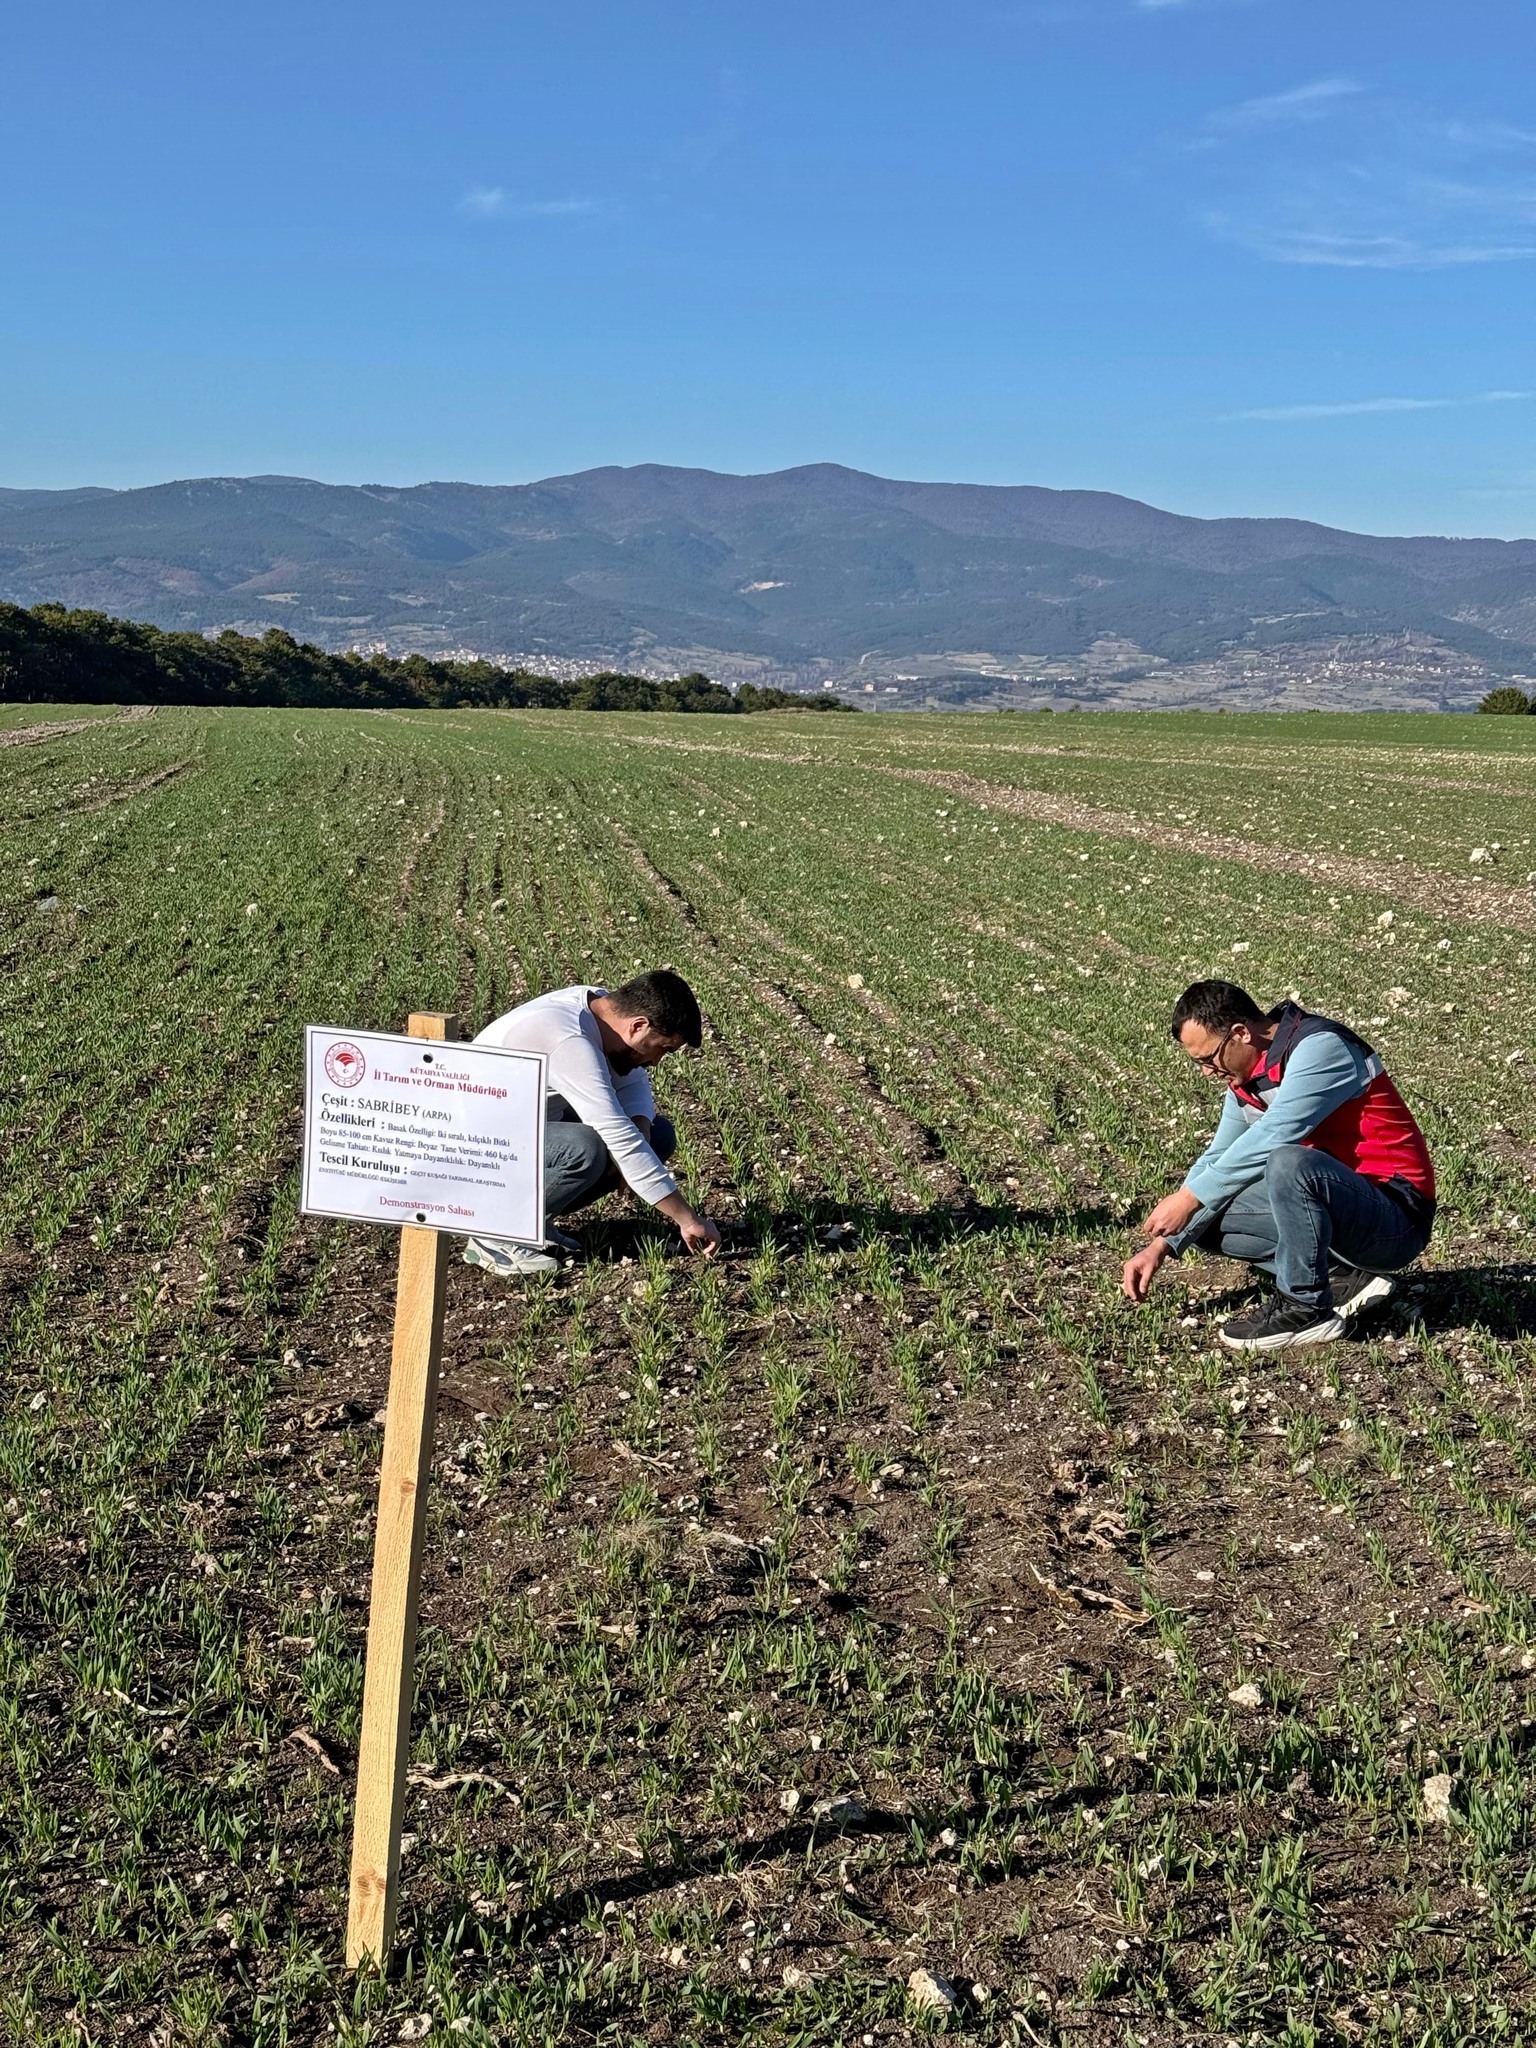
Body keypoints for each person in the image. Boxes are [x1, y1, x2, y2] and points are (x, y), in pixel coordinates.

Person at [1122, 980, 1436, 1351]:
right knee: (1205, 1218)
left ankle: (1305, 1308)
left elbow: (1279, 1131)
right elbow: (1220, 1157)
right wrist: (1164, 1244)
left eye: (1208, 1059)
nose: (1207, 1072)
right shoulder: (1249, 1081)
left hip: (1396, 1217)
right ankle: (1343, 1279)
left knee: (1287, 1162)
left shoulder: (1321, 1048)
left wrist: (1191, 1197)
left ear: (1240, 1033)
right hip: (1342, 1208)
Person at [463, 968, 723, 1277]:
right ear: (638, 1026)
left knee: (657, 1136)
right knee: (588, 1148)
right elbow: (613, 1130)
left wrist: (642, 1132)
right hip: (471, 1146)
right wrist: (687, 1219)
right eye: (663, 1049)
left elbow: (633, 1084)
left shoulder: (604, 1010)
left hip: (518, 1127)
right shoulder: (566, 1038)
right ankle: (495, 1232)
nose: (655, 1062)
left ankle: (535, 1223)